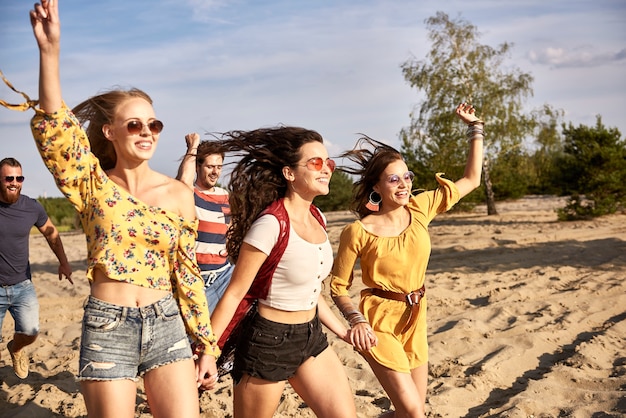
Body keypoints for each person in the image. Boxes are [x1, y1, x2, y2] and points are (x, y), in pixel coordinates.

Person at [4, 1, 221, 416]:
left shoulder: (179, 194)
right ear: (110, 132)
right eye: (135, 124)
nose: (146, 132)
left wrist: (206, 347)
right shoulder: (93, 186)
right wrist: (50, 52)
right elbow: (57, 130)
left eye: (153, 124)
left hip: (166, 324)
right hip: (108, 326)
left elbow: (188, 276)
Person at [329, 103, 484, 418]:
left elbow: (472, 180)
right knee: (413, 410)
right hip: (377, 323)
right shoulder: (357, 231)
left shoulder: (420, 208)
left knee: (411, 412)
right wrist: (355, 319)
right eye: (393, 180)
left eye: (406, 177)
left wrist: (475, 129)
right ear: (376, 187)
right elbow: (337, 286)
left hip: (416, 316)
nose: (404, 185)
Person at [208, 126, 358, 418]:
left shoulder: (318, 217)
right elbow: (236, 292)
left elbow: (311, 292)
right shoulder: (270, 224)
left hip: (312, 337)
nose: (326, 169)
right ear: (289, 173)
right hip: (268, 342)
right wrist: (207, 351)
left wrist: (343, 331)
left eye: (329, 163)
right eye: (315, 163)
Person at [0, 157, 73, 379]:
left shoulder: (31, 207)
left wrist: (64, 262)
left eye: (18, 178)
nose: (14, 182)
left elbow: (51, 233)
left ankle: (16, 348)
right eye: (8, 178)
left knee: (30, 333)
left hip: (22, 285)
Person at [176, 133, 233, 313]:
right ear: (198, 167)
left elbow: (230, 232)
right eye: (209, 166)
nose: (215, 172)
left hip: (224, 273)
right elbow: (184, 180)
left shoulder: (225, 196)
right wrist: (193, 146)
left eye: (219, 167)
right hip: (199, 278)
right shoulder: (189, 193)